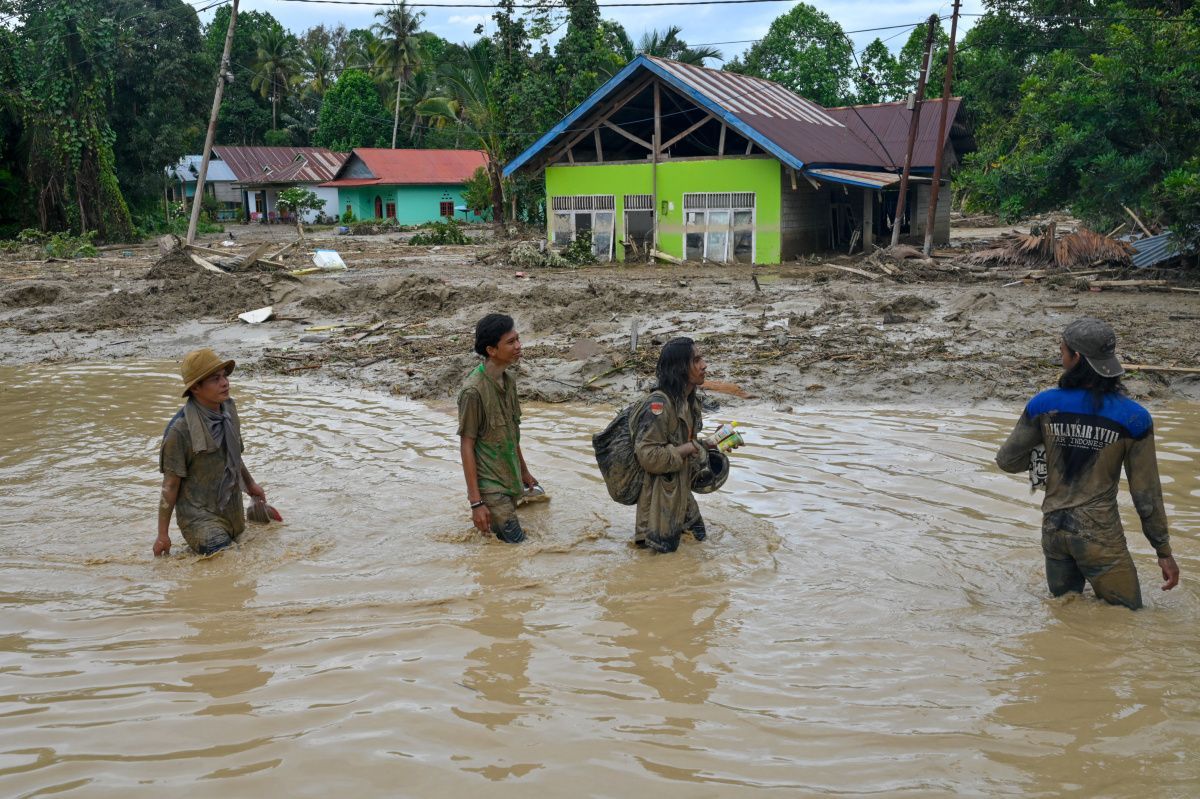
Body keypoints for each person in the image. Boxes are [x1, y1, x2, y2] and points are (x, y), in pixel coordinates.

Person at [995, 318, 1180, 609]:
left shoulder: (1043, 405)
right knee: (1129, 617)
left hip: (1054, 530)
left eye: (1062, 350)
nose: (1060, 355)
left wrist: (1048, 447)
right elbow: (1146, 494)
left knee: (1066, 611)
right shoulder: (1134, 417)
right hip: (1099, 536)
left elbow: (1007, 460)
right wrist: (1163, 551)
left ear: (1076, 358)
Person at [155, 349, 268, 556]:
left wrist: (251, 485)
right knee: (228, 561)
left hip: (231, 511)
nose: (225, 383)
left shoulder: (228, 411)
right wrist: (163, 535)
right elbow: (170, 485)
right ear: (196, 387)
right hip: (199, 518)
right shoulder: (179, 431)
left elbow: (233, 456)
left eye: (225, 376)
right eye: (216, 379)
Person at [458, 314, 540, 544]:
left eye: (518, 340)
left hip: (510, 480)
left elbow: (511, 433)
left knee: (503, 544)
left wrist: (523, 471)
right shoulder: (473, 392)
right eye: (511, 342)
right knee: (517, 547)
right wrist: (476, 503)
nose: (518, 346)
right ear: (492, 350)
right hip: (491, 489)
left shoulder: (509, 380)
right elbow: (466, 445)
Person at [633, 337, 711, 553]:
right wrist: (690, 448)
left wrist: (710, 445)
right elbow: (647, 455)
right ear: (680, 367)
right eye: (696, 360)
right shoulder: (658, 405)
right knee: (658, 566)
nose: (704, 365)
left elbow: (686, 444)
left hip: (681, 498)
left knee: (699, 544)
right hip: (659, 509)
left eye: (702, 358)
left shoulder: (690, 402)